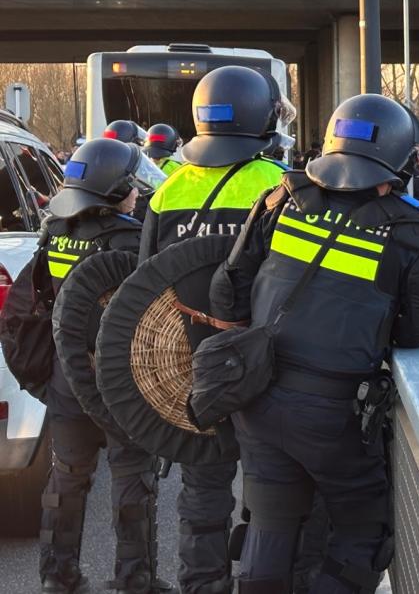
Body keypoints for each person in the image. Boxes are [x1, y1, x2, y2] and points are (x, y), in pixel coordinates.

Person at [209, 94, 419, 593]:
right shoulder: (408, 228)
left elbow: (227, 289)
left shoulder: (282, 197)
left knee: (269, 524)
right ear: (399, 159)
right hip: (335, 413)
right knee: (362, 535)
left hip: (258, 395)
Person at [139, 65, 294, 594]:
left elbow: (146, 285)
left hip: (188, 364)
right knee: (268, 488)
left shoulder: (166, 191)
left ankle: (201, 584)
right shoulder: (276, 185)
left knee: (202, 488)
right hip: (262, 363)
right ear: (259, 118)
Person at [38, 138, 168, 594]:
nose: (138, 191)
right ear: (113, 190)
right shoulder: (133, 241)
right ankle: (135, 579)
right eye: (131, 184)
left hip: (67, 377)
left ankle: (58, 575)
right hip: (120, 383)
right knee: (134, 477)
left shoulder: (55, 230)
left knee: (65, 480)